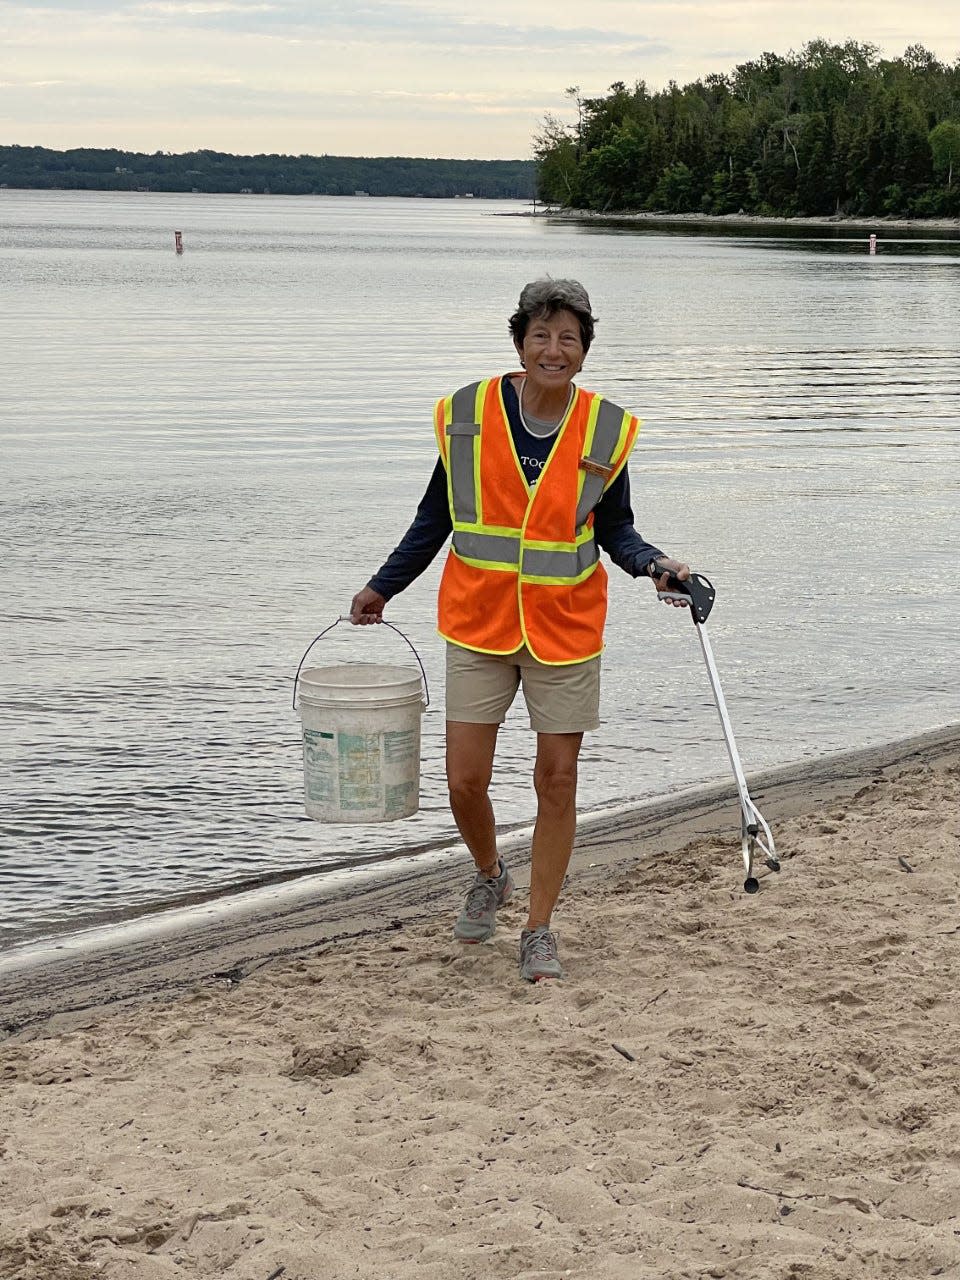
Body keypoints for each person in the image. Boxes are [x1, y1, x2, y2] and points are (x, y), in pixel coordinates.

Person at [350, 278, 689, 982]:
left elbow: (614, 528)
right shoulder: (467, 414)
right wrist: (384, 586)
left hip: (564, 628)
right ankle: (489, 872)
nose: (554, 349)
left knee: (556, 780)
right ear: (519, 343)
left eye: (569, 337)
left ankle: (538, 928)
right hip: (478, 622)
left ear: (585, 351)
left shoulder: (604, 429)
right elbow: (435, 518)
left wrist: (654, 566)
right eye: (542, 335)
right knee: (464, 782)